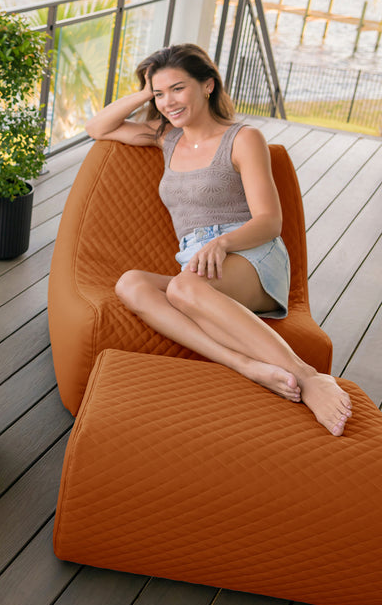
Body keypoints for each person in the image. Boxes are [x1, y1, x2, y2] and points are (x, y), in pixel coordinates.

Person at [84, 43, 352, 437]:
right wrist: (146, 92)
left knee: (182, 287)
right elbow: (97, 127)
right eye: (160, 94)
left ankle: (309, 378)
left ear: (207, 85)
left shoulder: (243, 139)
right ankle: (246, 365)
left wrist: (224, 244)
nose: (168, 102)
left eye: (178, 88)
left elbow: (270, 220)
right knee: (131, 283)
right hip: (199, 265)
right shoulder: (166, 138)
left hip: (250, 253)